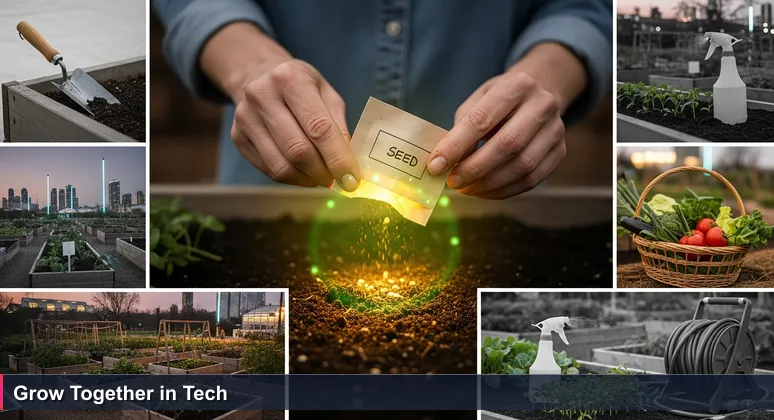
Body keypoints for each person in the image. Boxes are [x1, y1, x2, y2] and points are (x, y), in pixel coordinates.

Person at [154, 0, 611, 199]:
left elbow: (584, 7)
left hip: (495, 190)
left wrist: (546, 77)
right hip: (274, 185)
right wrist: (253, 67)